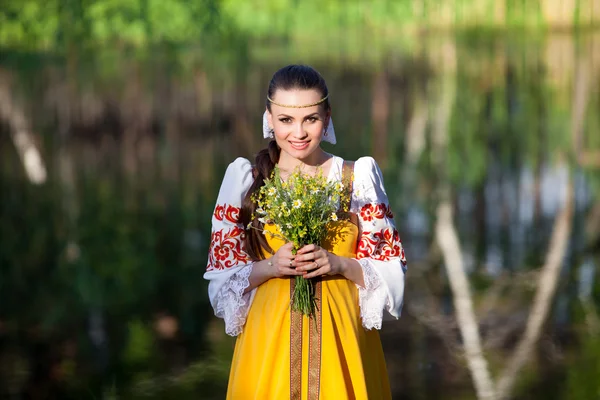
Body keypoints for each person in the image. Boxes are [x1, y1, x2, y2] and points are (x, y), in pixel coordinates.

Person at [204, 65, 407, 400]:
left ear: (327, 118)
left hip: (342, 343)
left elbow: (390, 270)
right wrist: (272, 266)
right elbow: (223, 281)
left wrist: (338, 264)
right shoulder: (247, 182)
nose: (298, 132)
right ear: (269, 118)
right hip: (270, 341)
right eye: (286, 120)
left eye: (310, 119)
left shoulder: (357, 179)